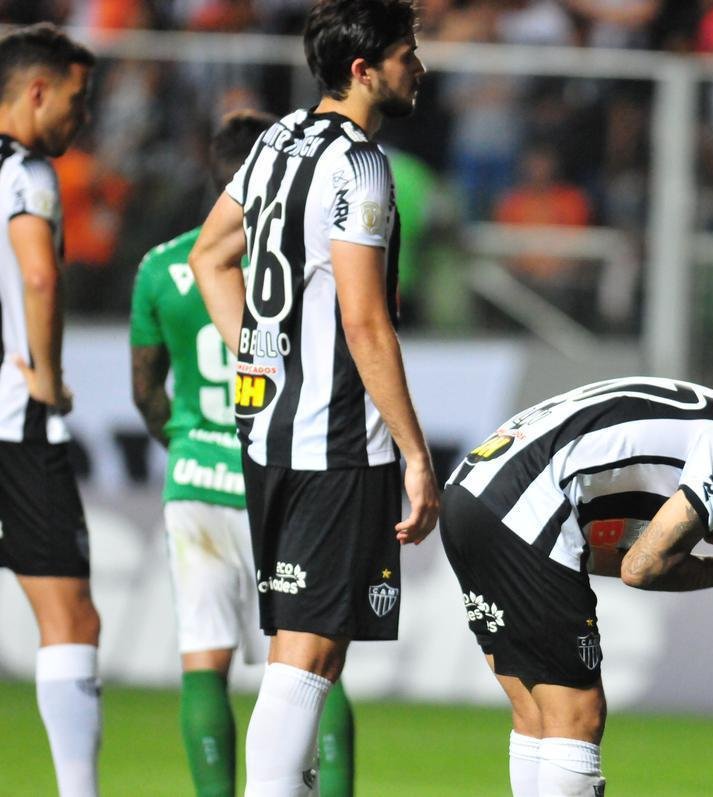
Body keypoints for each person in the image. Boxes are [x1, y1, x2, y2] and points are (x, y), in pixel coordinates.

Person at [188, 1, 440, 794]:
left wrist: (258, 361)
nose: (418, 67)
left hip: (270, 431)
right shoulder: (362, 165)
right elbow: (365, 321)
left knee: (307, 653)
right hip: (335, 439)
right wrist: (415, 453)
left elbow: (209, 256)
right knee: (307, 660)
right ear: (363, 70)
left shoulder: (276, 140)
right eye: (407, 52)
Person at [439, 376, 713, 796]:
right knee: (579, 714)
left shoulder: (688, 455)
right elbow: (641, 570)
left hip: (472, 492)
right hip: (524, 505)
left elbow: (599, 558)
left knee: (537, 712)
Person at [130, 110, 357, 797]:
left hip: (193, 486)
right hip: (279, 482)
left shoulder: (162, 266)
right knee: (312, 661)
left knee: (204, 662)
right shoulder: (297, 261)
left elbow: (145, 392)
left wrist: (189, 442)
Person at [0, 24, 99, 797]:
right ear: (36, 91)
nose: (83, 117)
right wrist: (46, 375)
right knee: (72, 620)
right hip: (14, 422)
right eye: (76, 98)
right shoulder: (25, 172)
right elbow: (38, 276)